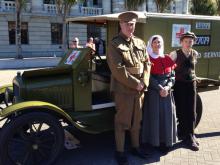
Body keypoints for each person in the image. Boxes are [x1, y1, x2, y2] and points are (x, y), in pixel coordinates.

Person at [107, 11, 151, 165]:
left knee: (136, 121)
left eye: (132, 24)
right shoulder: (114, 44)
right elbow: (118, 70)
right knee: (122, 122)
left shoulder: (140, 42)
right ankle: (120, 151)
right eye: (126, 24)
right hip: (123, 90)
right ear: (121, 24)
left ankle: (135, 147)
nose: (130, 27)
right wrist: (136, 83)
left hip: (139, 90)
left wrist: (144, 81)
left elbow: (147, 63)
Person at [142, 35, 177, 153]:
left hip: (167, 93)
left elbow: (172, 76)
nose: (158, 44)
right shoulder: (148, 59)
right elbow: (148, 77)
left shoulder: (167, 58)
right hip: (154, 93)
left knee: (166, 118)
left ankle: (165, 142)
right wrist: (159, 87)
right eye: (155, 42)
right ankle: (153, 142)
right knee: (154, 117)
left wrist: (167, 87)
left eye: (160, 42)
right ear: (151, 45)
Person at [169, 31, 199, 151]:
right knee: (181, 110)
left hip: (191, 84)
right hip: (179, 85)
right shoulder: (174, 54)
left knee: (192, 110)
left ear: (193, 42)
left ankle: (191, 134)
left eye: (190, 41)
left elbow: (193, 68)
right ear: (181, 42)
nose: (188, 43)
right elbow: (169, 69)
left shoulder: (195, 53)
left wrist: (195, 78)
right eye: (186, 41)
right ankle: (185, 136)